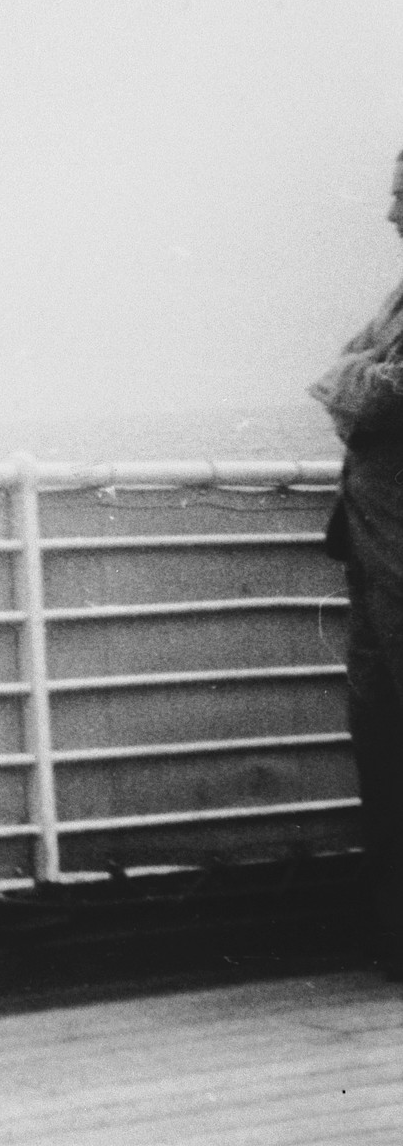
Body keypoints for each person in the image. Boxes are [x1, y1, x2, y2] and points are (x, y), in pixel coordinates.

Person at [308, 146, 403, 983]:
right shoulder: (396, 301)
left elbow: (365, 391)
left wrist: (362, 381)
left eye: (402, 196)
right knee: (379, 740)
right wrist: (363, 380)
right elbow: (345, 378)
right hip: (376, 559)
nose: (390, 214)